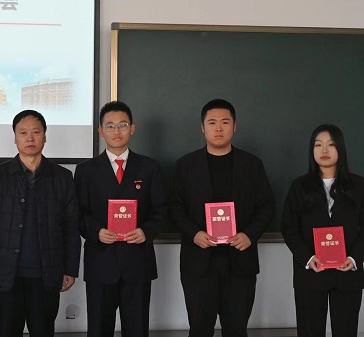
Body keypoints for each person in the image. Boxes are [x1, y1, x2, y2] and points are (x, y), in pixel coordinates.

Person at [168, 98, 275, 337]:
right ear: (202, 127)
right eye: (212, 122)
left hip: (240, 262)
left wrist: (249, 235)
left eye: (225, 122)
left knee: (236, 329)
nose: (219, 128)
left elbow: (267, 206)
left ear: (234, 126)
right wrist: (194, 234)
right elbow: (174, 208)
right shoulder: (185, 165)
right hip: (199, 262)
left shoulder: (252, 165)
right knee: (199, 329)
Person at [0, 109, 80, 337]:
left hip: (46, 274)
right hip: (6, 273)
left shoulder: (62, 177)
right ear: (15, 138)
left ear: (45, 136)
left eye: (36, 132)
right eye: (23, 133)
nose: (30, 138)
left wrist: (70, 268)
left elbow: (71, 227)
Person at [74, 101, 166, 337]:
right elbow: (77, 213)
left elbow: (161, 210)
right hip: (100, 261)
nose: (117, 131)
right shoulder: (85, 170)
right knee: (98, 329)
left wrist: (146, 231)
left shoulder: (150, 167)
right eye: (110, 126)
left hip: (137, 262)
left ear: (132, 129)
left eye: (123, 125)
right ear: (100, 131)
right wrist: (96, 232)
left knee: (137, 329)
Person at [281, 124, 364, 337]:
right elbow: (289, 228)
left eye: (331, 145)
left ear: (341, 149)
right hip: (310, 273)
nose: (324, 150)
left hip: (347, 274)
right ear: (312, 150)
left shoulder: (358, 185)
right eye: (318, 145)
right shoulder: (299, 186)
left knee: (346, 331)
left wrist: (354, 258)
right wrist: (307, 258)